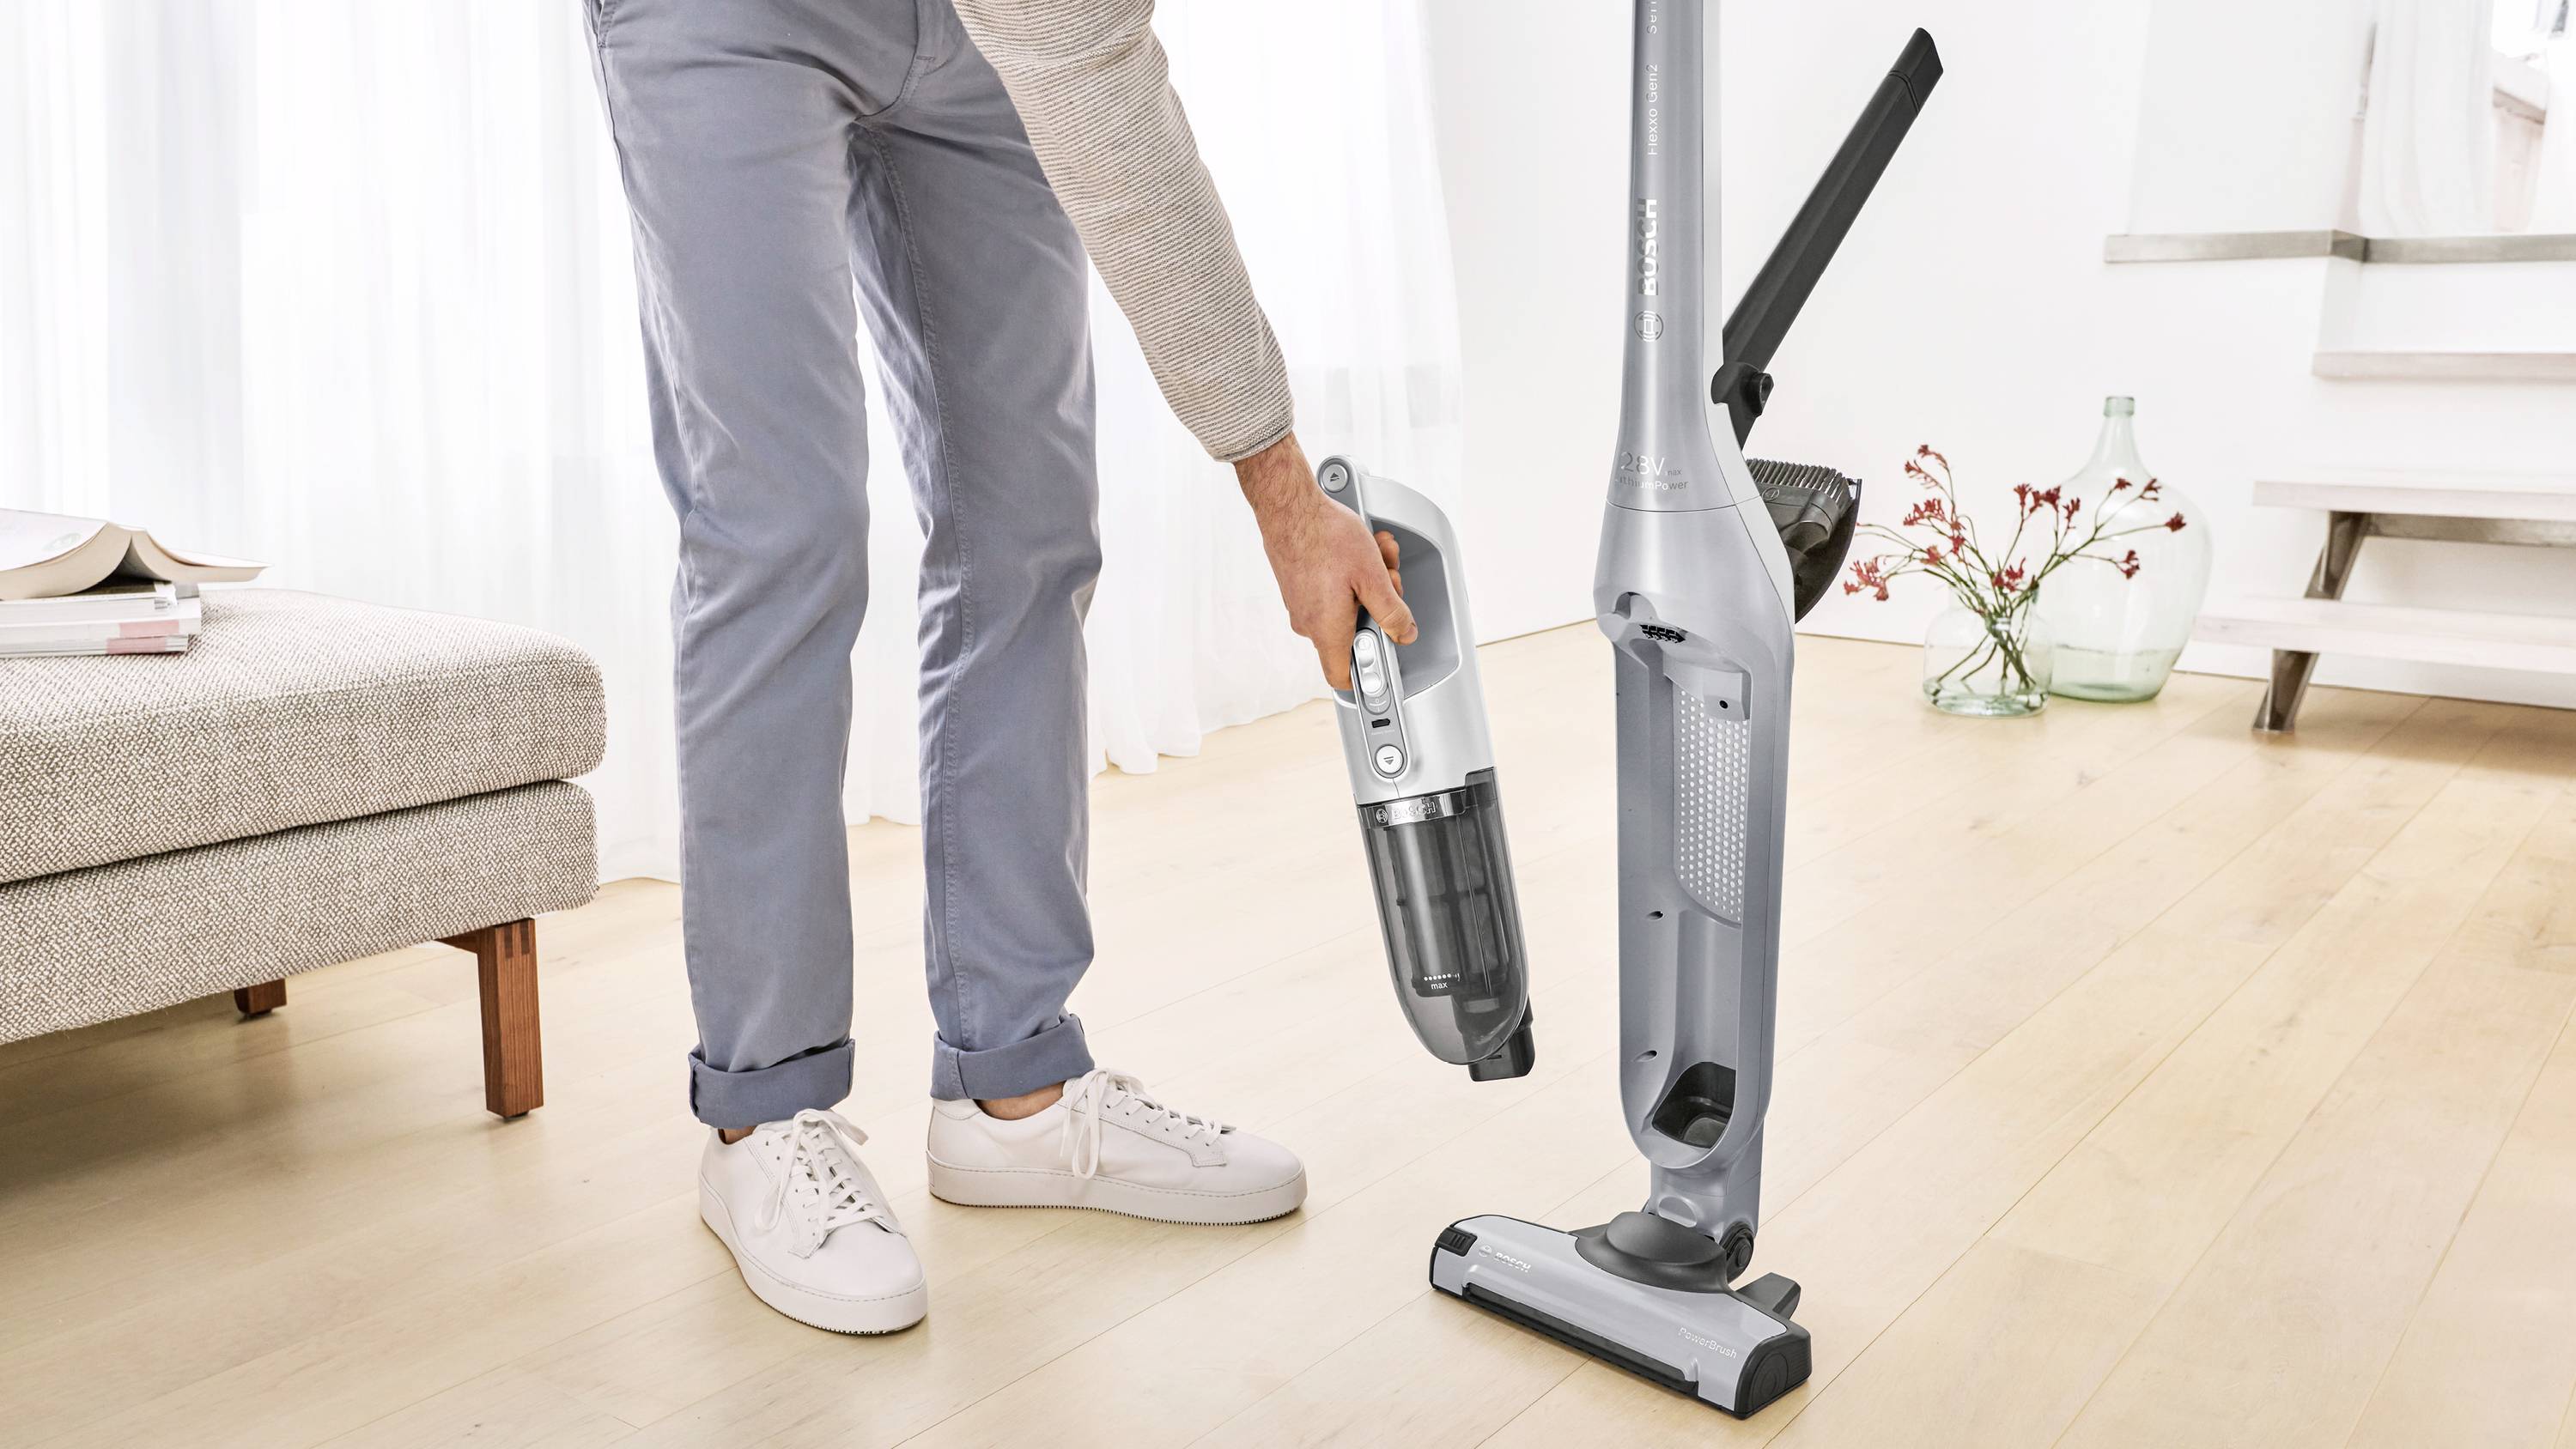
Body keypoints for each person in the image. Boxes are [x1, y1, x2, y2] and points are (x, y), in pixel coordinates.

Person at [584, 0, 1417, 1333]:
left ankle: (1013, 1088)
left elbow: (1099, 79)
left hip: (974, 36)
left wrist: (1275, 473)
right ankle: (765, 1117)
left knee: (1025, 524)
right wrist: (1273, 486)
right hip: (724, 23)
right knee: (780, 530)